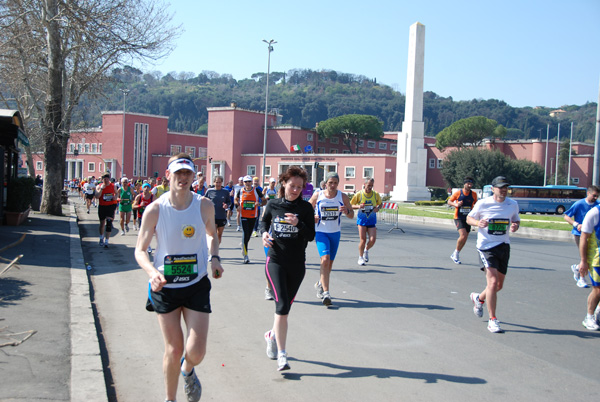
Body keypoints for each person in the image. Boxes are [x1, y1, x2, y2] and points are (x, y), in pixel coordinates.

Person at [135, 153, 224, 402]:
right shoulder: (155, 209)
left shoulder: (204, 205)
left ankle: (188, 370)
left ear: (194, 177)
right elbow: (140, 250)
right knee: (173, 350)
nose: (183, 178)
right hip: (165, 286)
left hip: (196, 285)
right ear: (168, 175)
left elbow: (211, 235)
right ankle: (170, 399)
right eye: (178, 173)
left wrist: (214, 257)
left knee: (196, 352)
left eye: (187, 173)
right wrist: (152, 273)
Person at [261, 166, 315, 371]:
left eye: (300, 187)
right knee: (281, 306)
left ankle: (271, 335)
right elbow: (264, 222)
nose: (295, 190)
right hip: (275, 261)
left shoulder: (305, 209)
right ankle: (282, 355)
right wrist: (264, 235)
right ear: (283, 183)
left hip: (297, 264)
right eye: (292, 186)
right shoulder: (273, 204)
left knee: (284, 309)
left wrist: (299, 223)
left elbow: (311, 236)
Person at [466, 176, 520, 333]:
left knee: (498, 286)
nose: (503, 190)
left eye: (506, 187)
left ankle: (479, 298)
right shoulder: (483, 203)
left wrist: (516, 225)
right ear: (493, 188)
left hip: (503, 245)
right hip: (486, 247)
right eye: (500, 187)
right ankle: (493, 319)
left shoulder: (512, 204)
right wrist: (478, 223)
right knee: (492, 282)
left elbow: (516, 220)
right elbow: (469, 218)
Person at [309, 172, 354, 306]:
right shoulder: (318, 195)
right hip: (321, 232)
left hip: (335, 233)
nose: (333, 185)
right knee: (325, 259)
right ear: (325, 183)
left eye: (335, 183)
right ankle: (326, 293)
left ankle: (319, 284)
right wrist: (312, 216)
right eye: (330, 183)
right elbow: (306, 209)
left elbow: (352, 215)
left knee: (330, 264)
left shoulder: (343, 196)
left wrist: (346, 211)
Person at [564, 185, 600, 288]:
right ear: (588, 193)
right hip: (579, 234)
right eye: (594, 195)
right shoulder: (579, 204)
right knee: (584, 257)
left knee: (590, 257)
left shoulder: (597, 205)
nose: (595, 198)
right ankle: (581, 279)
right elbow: (566, 216)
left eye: (597, 196)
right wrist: (576, 224)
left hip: (592, 236)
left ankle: (577, 268)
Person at [576, 203, 600, 330]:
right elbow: (584, 238)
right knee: (598, 290)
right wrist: (583, 261)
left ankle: (598, 312)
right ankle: (589, 317)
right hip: (596, 259)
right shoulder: (594, 213)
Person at [350, 177, 382, 266]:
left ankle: (366, 250)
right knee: (363, 240)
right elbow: (350, 205)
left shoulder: (375, 194)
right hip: (362, 220)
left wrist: (378, 208)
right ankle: (360, 257)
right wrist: (358, 206)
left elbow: (380, 204)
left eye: (372, 185)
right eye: (368, 185)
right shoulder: (359, 194)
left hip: (371, 220)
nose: (370, 187)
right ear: (364, 185)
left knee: (373, 239)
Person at [235, 175, 266, 263]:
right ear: (243, 183)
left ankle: (243, 245)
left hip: (253, 216)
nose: (247, 183)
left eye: (249, 181)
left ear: (251, 182)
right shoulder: (240, 191)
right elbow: (235, 200)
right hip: (243, 215)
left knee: (248, 235)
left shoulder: (256, 190)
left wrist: (259, 204)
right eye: (246, 182)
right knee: (245, 233)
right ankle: (245, 255)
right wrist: (237, 206)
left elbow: (264, 201)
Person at [448, 176, 478, 264]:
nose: (469, 185)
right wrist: (456, 204)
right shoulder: (458, 193)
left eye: (471, 184)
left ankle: (456, 252)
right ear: (464, 184)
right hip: (459, 217)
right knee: (463, 235)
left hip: (468, 218)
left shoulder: (474, 194)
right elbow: (449, 201)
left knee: (465, 238)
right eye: (468, 183)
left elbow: (476, 204)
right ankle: (456, 254)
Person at [204, 175, 232, 244]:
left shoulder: (225, 192)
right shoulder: (209, 191)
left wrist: (226, 205)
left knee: (219, 234)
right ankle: (212, 249)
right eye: (216, 182)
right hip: (212, 216)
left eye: (219, 182)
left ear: (222, 183)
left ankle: (216, 248)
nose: (218, 184)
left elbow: (229, 202)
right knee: (213, 234)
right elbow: (204, 201)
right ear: (214, 183)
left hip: (222, 216)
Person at [96, 172, 118, 248]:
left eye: (107, 179)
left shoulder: (113, 186)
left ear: (109, 179)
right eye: (104, 179)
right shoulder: (99, 186)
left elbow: (116, 193)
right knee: (102, 223)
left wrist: (115, 197)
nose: (106, 180)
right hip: (102, 206)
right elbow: (97, 196)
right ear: (102, 179)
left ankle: (107, 241)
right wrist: (101, 189)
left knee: (109, 223)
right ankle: (101, 237)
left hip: (110, 206)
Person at [133, 183, 154, 253]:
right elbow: (133, 206)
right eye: (145, 187)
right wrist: (140, 206)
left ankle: (148, 246)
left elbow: (158, 206)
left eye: (148, 187)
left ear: (150, 189)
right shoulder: (139, 197)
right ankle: (142, 245)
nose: (146, 189)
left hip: (150, 217)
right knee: (142, 231)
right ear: (142, 188)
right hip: (141, 216)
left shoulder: (152, 197)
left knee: (148, 231)